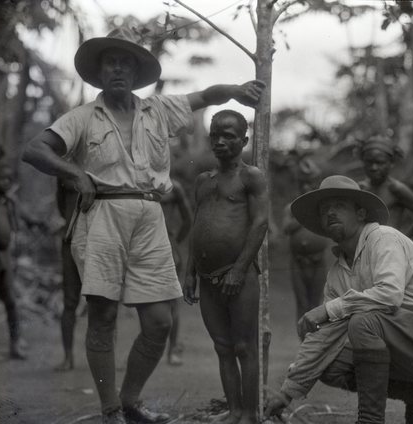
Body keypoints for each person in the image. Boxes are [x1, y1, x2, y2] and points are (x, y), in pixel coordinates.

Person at [22, 27, 264, 424]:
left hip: (151, 215)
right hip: (103, 215)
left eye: (126, 63)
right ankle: (111, 410)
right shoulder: (82, 117)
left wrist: (236, 90)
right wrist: (76, 175)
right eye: (111, 63)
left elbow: (205, 97)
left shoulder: (158, 110)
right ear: (100, 73)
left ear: (137, 74)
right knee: (103, 316)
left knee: (159, 322)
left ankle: (131, 400)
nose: (118, 70)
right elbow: (35, 149)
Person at [264, 175, 413, 424]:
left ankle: (370, 420)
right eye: (324, 209)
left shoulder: (383, 238)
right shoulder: (337, 274)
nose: (330, 212)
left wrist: (329, 309)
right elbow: (324, 336)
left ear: (361, 213)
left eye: (339, 205)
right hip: (405, 345)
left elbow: (389, 295)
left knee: (363, 321)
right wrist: (287, 393)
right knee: (331, 364)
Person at [183, 110, 268, 424]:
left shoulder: (251, 177)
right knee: (222, 346)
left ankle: (250, 414)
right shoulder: (203, 181)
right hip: (207, 278)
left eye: (229, 135)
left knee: (245, 346)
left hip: (239, 275)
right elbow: (197, 226)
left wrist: (239, 269)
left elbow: (260, 223)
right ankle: (234, 411)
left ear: (244, 140)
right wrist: (190, 272)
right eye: (215, 134)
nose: (220, 141)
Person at [0, 149, 27, 361]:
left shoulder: (8, 202)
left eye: (9, 178)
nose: (7, 182)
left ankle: (15, 345)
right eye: (2, 178)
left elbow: (18, 222)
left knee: (10, 300)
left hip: (4, 256)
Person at [281, 156, 328, 328]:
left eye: (311, 183)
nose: (307, 187)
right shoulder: (292, 208)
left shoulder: (323, 207)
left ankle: (316, 342)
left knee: (316, 302)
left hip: (318, 261)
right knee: (301, 301)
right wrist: (303, 214)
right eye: (303, 184)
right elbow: (286, 228)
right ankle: (304, 341)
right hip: (298, 262)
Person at [357, 135, 413, 238]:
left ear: (391, 163)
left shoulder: (395, 189)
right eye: (369, 162)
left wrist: (405, 239)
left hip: (389, 250)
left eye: (380, 163)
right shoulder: (359, 189)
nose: (374, 167)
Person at [160, 178, 193, 366]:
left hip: (168, 245)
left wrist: (175, 241)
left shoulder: (174, 185)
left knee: (171, 300)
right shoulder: (136, 179)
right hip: (142, 245)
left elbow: (188, 219)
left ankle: (172, 348)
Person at [54, 178, 83, 371]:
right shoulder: (65, 173)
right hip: (71, 239)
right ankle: (67, 356)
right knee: (69, 301)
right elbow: (61, 204)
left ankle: (106, 357)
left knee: (105, 301)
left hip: (97, 240)